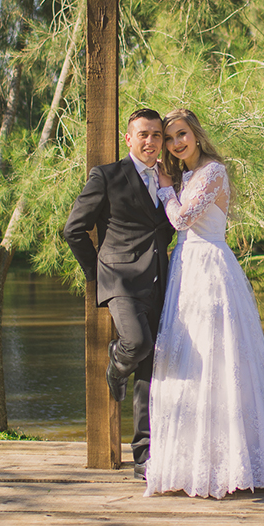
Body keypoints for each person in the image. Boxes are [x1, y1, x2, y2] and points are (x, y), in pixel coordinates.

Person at [144, 108, 264, 499]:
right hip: (186, 270)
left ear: (197, 135)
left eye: (181, 134)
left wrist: (166, 189)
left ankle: (238, 459)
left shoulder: (213, 172)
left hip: (211, 271)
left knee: (222, 357)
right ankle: (191, 459)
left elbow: (182, 220)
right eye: (169, 139)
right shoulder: (185, 175)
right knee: (190, 357)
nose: (174, 143)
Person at [63, 108, 175, 478]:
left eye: (157, 135)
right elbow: (74, 230)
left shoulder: (167, 178)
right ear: (128, 138)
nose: (150, 141)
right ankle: (116, 363)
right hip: (121, 282)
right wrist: (97, 273)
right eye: (143, 134)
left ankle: (144, 458)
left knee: (149, 374)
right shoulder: (107, 176)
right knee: (137, 343)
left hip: (161, 282)